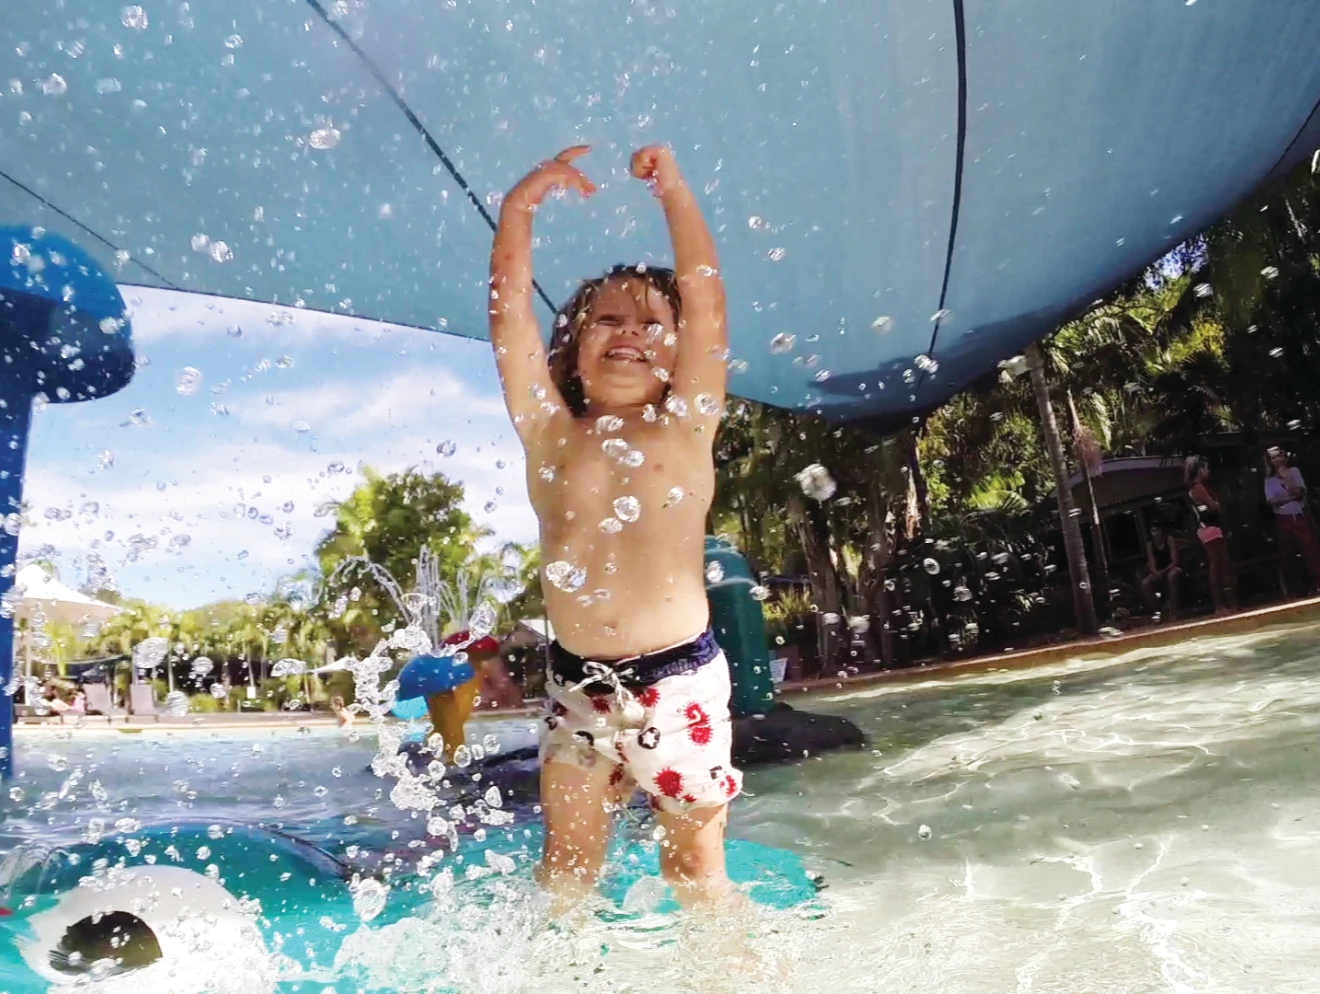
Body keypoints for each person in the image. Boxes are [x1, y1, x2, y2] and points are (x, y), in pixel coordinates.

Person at [489, 144, 739, 907]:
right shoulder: (550, 433)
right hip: (576, 688)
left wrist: (675, 193)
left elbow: (707, 301)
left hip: (678, 685)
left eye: (650, 323)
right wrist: (517, 210)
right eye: (605, 318)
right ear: (573, 345)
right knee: (567, 874)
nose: (627, 330)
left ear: (677, 355)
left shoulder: (686, 426)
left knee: (692, 874)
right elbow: (509, 323)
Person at [1264, 446, 1320, 593]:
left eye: (1279, 455)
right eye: (1273, 457)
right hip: (1283, 518)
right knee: (1288, 553)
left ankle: (1317, 583)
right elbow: (1271, 500)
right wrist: (1291, 497)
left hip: (1299, 515)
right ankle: (1297, 588)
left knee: (1310, 549)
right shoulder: (1269, 480)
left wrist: (1287, 480)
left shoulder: (1294, 472)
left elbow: (1300, 491)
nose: (1277, 459)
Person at [1185, 455, 1234, 614]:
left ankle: (1226, 603)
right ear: (1200, 470)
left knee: (1221, 565)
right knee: (1218, 565)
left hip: (1209, 528)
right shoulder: (1198, 487)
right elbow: (1213, 507)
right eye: (1205, 468)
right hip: (1209, 528)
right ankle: (1221, 605)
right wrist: (1218, 504)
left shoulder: (1195, 487)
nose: (1208, 471)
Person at [1141, 523, 1182, 621]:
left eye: (1158, 530)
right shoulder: (1150, 545)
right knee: (1145, 583)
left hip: (1171, 568)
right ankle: (1158, 611)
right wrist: (1156, 572)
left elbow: (1174, 561)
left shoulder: (1169, 540)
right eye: (1153, 531)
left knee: (1173, 575)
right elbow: (1152, 563)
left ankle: (1174, 610)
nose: (1156, 533)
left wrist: (1163, 571)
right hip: (1158, 571)